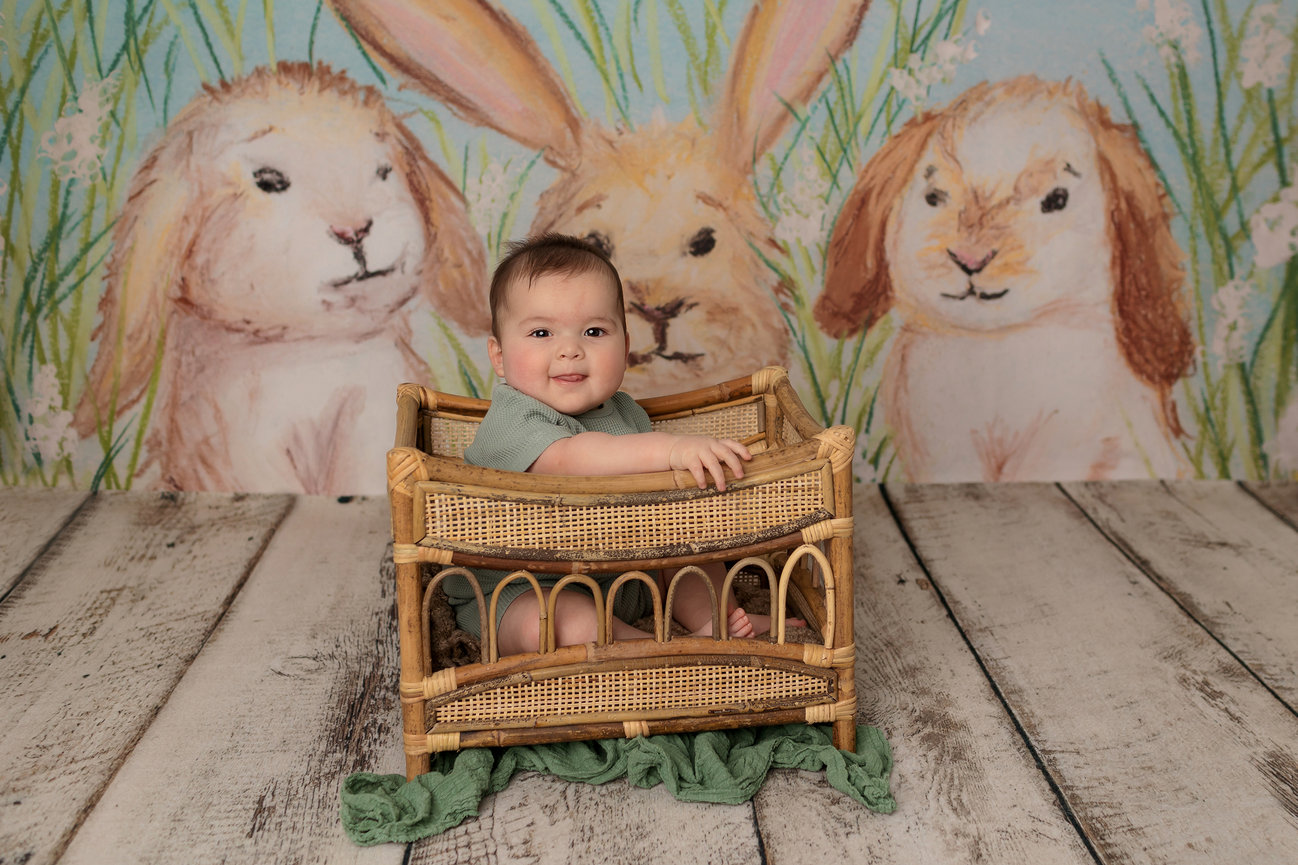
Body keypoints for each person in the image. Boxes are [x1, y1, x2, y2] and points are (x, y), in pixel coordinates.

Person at [448, 233, 797, 656]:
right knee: (569, 622)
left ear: (626, 348)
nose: (570, 350)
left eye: (594, 331)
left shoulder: (624, 412)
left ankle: (718, 619)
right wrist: (671, 449)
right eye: (541, 332)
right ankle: (661, 652)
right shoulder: (513, 415)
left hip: (621, 572)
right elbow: (571, 458)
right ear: (499, 356)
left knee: (691, 552)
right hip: (520, 589)